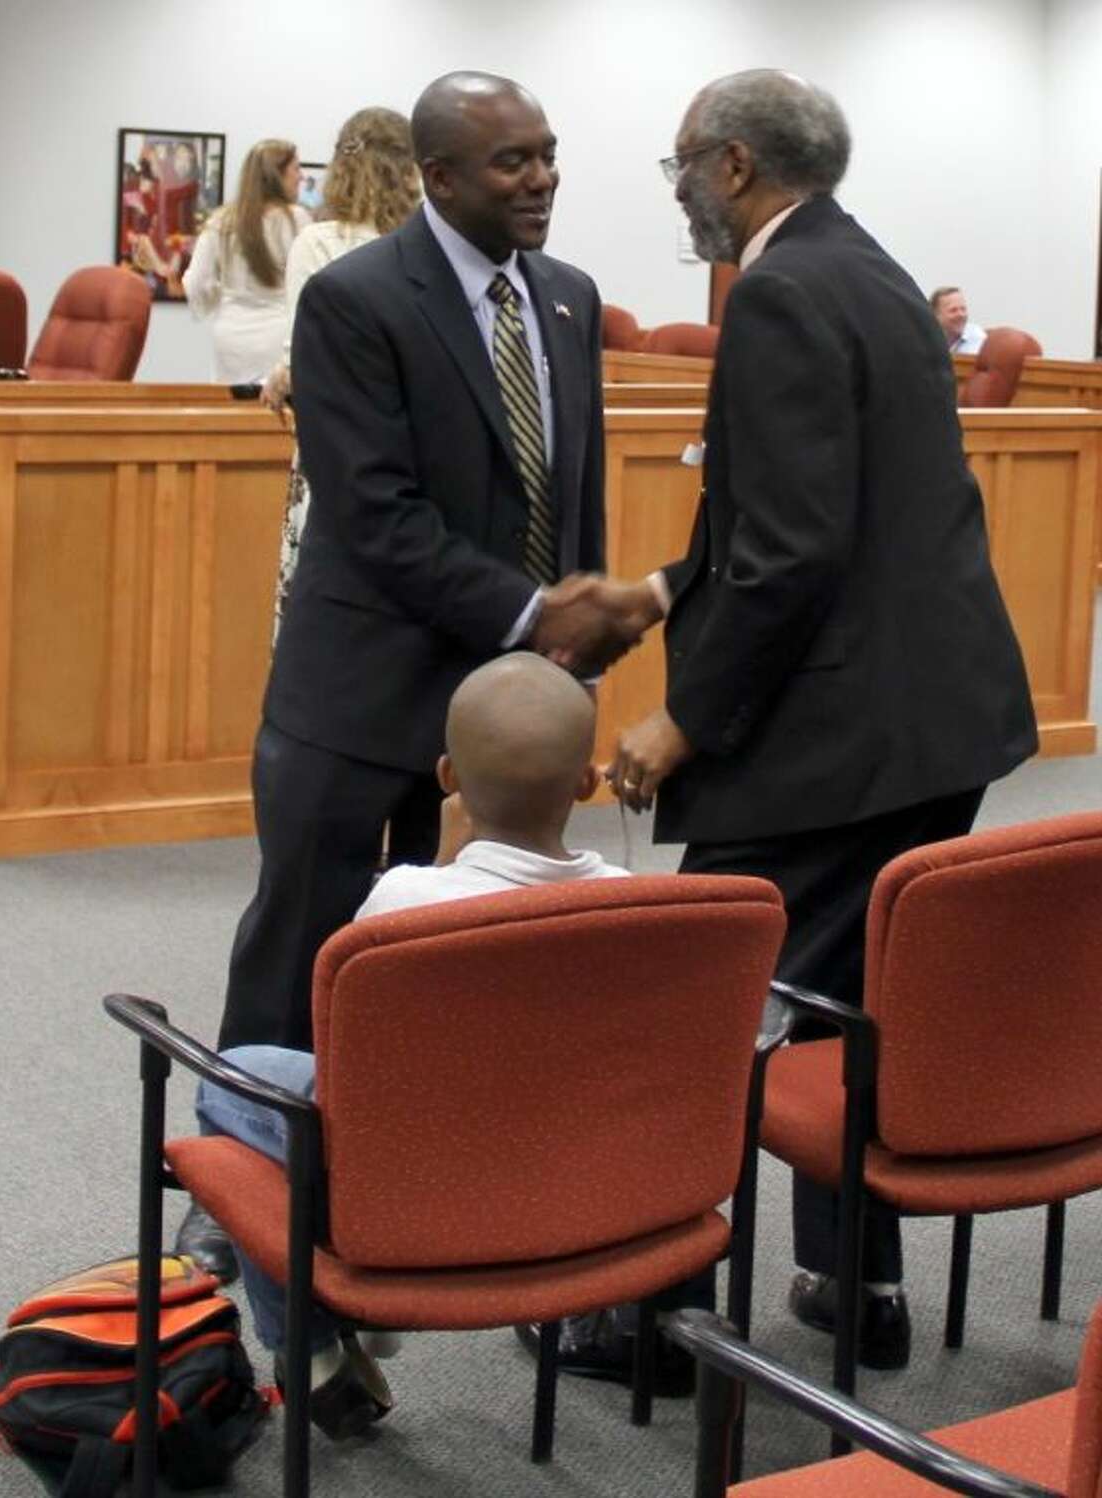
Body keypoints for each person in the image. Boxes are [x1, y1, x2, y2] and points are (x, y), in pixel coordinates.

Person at [595, 69, 1037, 1370]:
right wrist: (664, 587)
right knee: (844, 994)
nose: (674, 189)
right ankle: (855, 1285)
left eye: (680, 163)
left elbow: (790, 556)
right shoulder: (877, 270)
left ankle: (644, 1306)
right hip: (939, 715)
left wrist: (683, 720)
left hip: (837, 730)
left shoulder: (784, 290)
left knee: (703, 991)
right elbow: (811, 508)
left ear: (734, 165)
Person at [176, 72, 638, 1279]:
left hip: (511, 706)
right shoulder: (354, 299)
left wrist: (566, 651)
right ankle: (238, 1198)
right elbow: (376, 518)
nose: (540, 180)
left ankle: (443, 1188)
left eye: (548, 155)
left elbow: (568, 489)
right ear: (435, 177)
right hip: (362, 695)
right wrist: (542, 611)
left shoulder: (574, 300)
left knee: (479, 961)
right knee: (304, 941)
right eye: (510, 164)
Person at [195, 653, 630, 1437]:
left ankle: (311, 1348)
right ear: (587, 782)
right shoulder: (643, 906)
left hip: (413, 1189)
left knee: (233, 1080)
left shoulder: (401, 904)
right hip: (579, 1186)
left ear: (445, 776)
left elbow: (354, 1071)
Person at [260, 107, 422, 638]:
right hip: (415, 450)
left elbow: (306, 357)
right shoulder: (427, 247)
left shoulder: (320, 243)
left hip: (334, 452)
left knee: (326, 612)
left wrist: (283, 375)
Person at [182, 138, 307, 383]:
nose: (301, 176)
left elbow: (197, 283)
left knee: (231, 418)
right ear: (276, 175)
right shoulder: (296, 220)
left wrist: (221, 295)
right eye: (296, 168)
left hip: (231, 341)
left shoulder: (221, 221)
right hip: (279, 338)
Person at [930, 285, 987, 354]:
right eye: (953, 310)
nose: (961, 315)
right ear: (936, 315)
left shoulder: (977, 339)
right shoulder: (924, 338)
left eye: (963, 309)